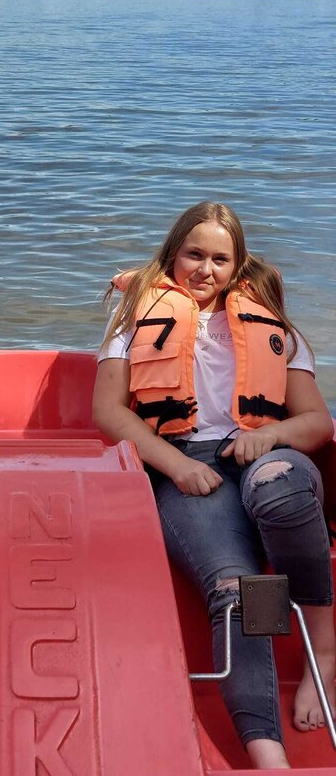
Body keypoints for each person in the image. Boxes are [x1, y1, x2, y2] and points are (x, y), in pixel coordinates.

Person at [92, 201, 335, 770]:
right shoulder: (134, 318)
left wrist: (270, 435)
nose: (205, 269)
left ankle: (323, 654)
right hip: (186, 463)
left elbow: (316, 423)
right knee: (240, 589)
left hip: (266, 453)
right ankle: (269, 755)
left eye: (220, 259)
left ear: (238, 264)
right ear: (173, 254)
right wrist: (174, 466)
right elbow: (109, 411)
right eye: (194, 255)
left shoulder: (272, 325)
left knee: (280, 489)